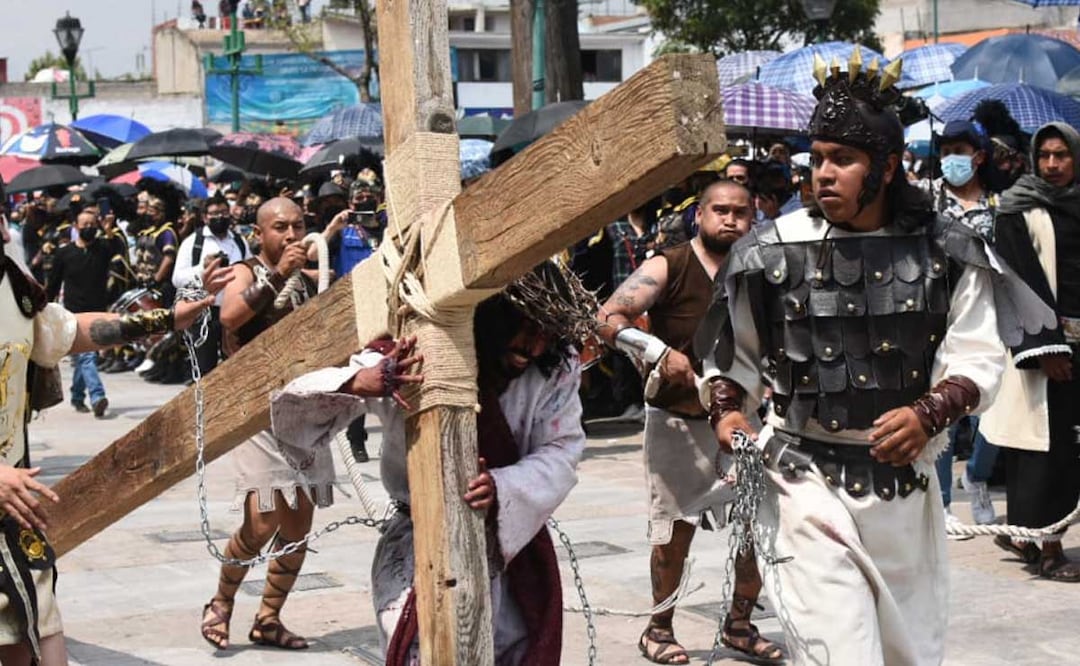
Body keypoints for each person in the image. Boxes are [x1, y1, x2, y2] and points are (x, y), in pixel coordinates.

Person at [694, 56, 1052, 665]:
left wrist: (929, 412)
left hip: (904, 495)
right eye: (817, 156)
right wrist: (728, 411)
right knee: (838, 651)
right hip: (801, 481)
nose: (822, 173)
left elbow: (978, 355)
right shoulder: (771, 250)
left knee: (903, 654)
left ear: (886, 168)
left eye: (843, 159)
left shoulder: (947, 247)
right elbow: (737, 357)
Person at [269, 262, 592, 664]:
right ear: (494, 314)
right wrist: (360, 382)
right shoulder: (409, 353)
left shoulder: (555, 369)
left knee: (513, 644)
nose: (535, 347)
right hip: (417, 537)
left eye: (547, 334)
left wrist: (504, 485)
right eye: (525, 328)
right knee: (421, 649)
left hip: (511, 544)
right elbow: (294, 411)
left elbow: (563, 448)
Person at [1, 201, 226, 666]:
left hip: (15, 509)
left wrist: (165, 318)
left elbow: (65, 332)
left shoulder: (14, 289)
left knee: (36, 632)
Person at [599, 181, 781, 664]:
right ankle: (658, 629)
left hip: (746, 417)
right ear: (699, 214)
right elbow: (609, 316)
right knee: (673, 533)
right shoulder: (669, 264)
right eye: (720, 210)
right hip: (679, 418)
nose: (730, 220)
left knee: (757, 529)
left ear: (753, 216)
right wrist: (654, 352)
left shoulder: (762, 266)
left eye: (741, 212)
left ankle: (740, 624)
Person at [200, 198, 329, 651]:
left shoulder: (311, 278)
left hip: (306, 409)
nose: (292, 235)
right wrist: (278, 274)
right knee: (263, 519)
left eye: (298, 225)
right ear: (260, 233)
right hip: (257, 410)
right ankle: (221, 601)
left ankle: (269, 618)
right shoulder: (246, 271)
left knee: (298, 525)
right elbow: (230, 317)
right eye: (280, 228)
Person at [981, 122, 1080, 581]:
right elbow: (1016, 281)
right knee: (1043, 447)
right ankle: (1047, 548)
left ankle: (1022, 533)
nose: (1053, 165)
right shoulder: (1018, 209)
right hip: (1044, 350)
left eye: (1062, 156)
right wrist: (1046, 348)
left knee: (1065, 447)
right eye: (1045, 156)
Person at [929, 120, 1003, 529]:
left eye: (961, 150)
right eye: (946, 150)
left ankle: (976, 475)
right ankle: (941, 504)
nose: (952, 158)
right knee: (947, 409)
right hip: (943, 314)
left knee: (993, 415)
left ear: (978, 156)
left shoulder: (1000, 204)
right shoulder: (927, 201)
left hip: (997, 314)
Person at [321, 170, 388, 462]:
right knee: (358, 374)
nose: (364, 203)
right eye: (359, 199)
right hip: (352, 309)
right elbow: (315, 252)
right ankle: (356, 438)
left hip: (385, 306)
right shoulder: (342, 232)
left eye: (369, 198)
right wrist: (333, 227)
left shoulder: (388, 228)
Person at [46, 209, 125, 418]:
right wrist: (45, 307)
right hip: (74, 314)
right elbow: (53, 283)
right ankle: (98, 396)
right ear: (75, 227)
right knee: (87, 356)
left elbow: (120, 250)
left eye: (92, 224)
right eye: (84, 224)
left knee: (85, 356)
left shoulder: (102, 248)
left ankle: (77, 394)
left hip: (98, 310)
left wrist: (109, 230)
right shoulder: (65, 253)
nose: (89, 227)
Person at [172, 195, 250, 376]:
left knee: (235, 364)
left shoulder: (239, 241)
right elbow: (177, 278)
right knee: (204, 366)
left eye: (223, 212)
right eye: (214, 214)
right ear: (205, 217)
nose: (220, 217)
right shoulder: (193, 243)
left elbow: (250, 268)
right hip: (205, 312)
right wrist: (203, 268)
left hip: (234, 310)